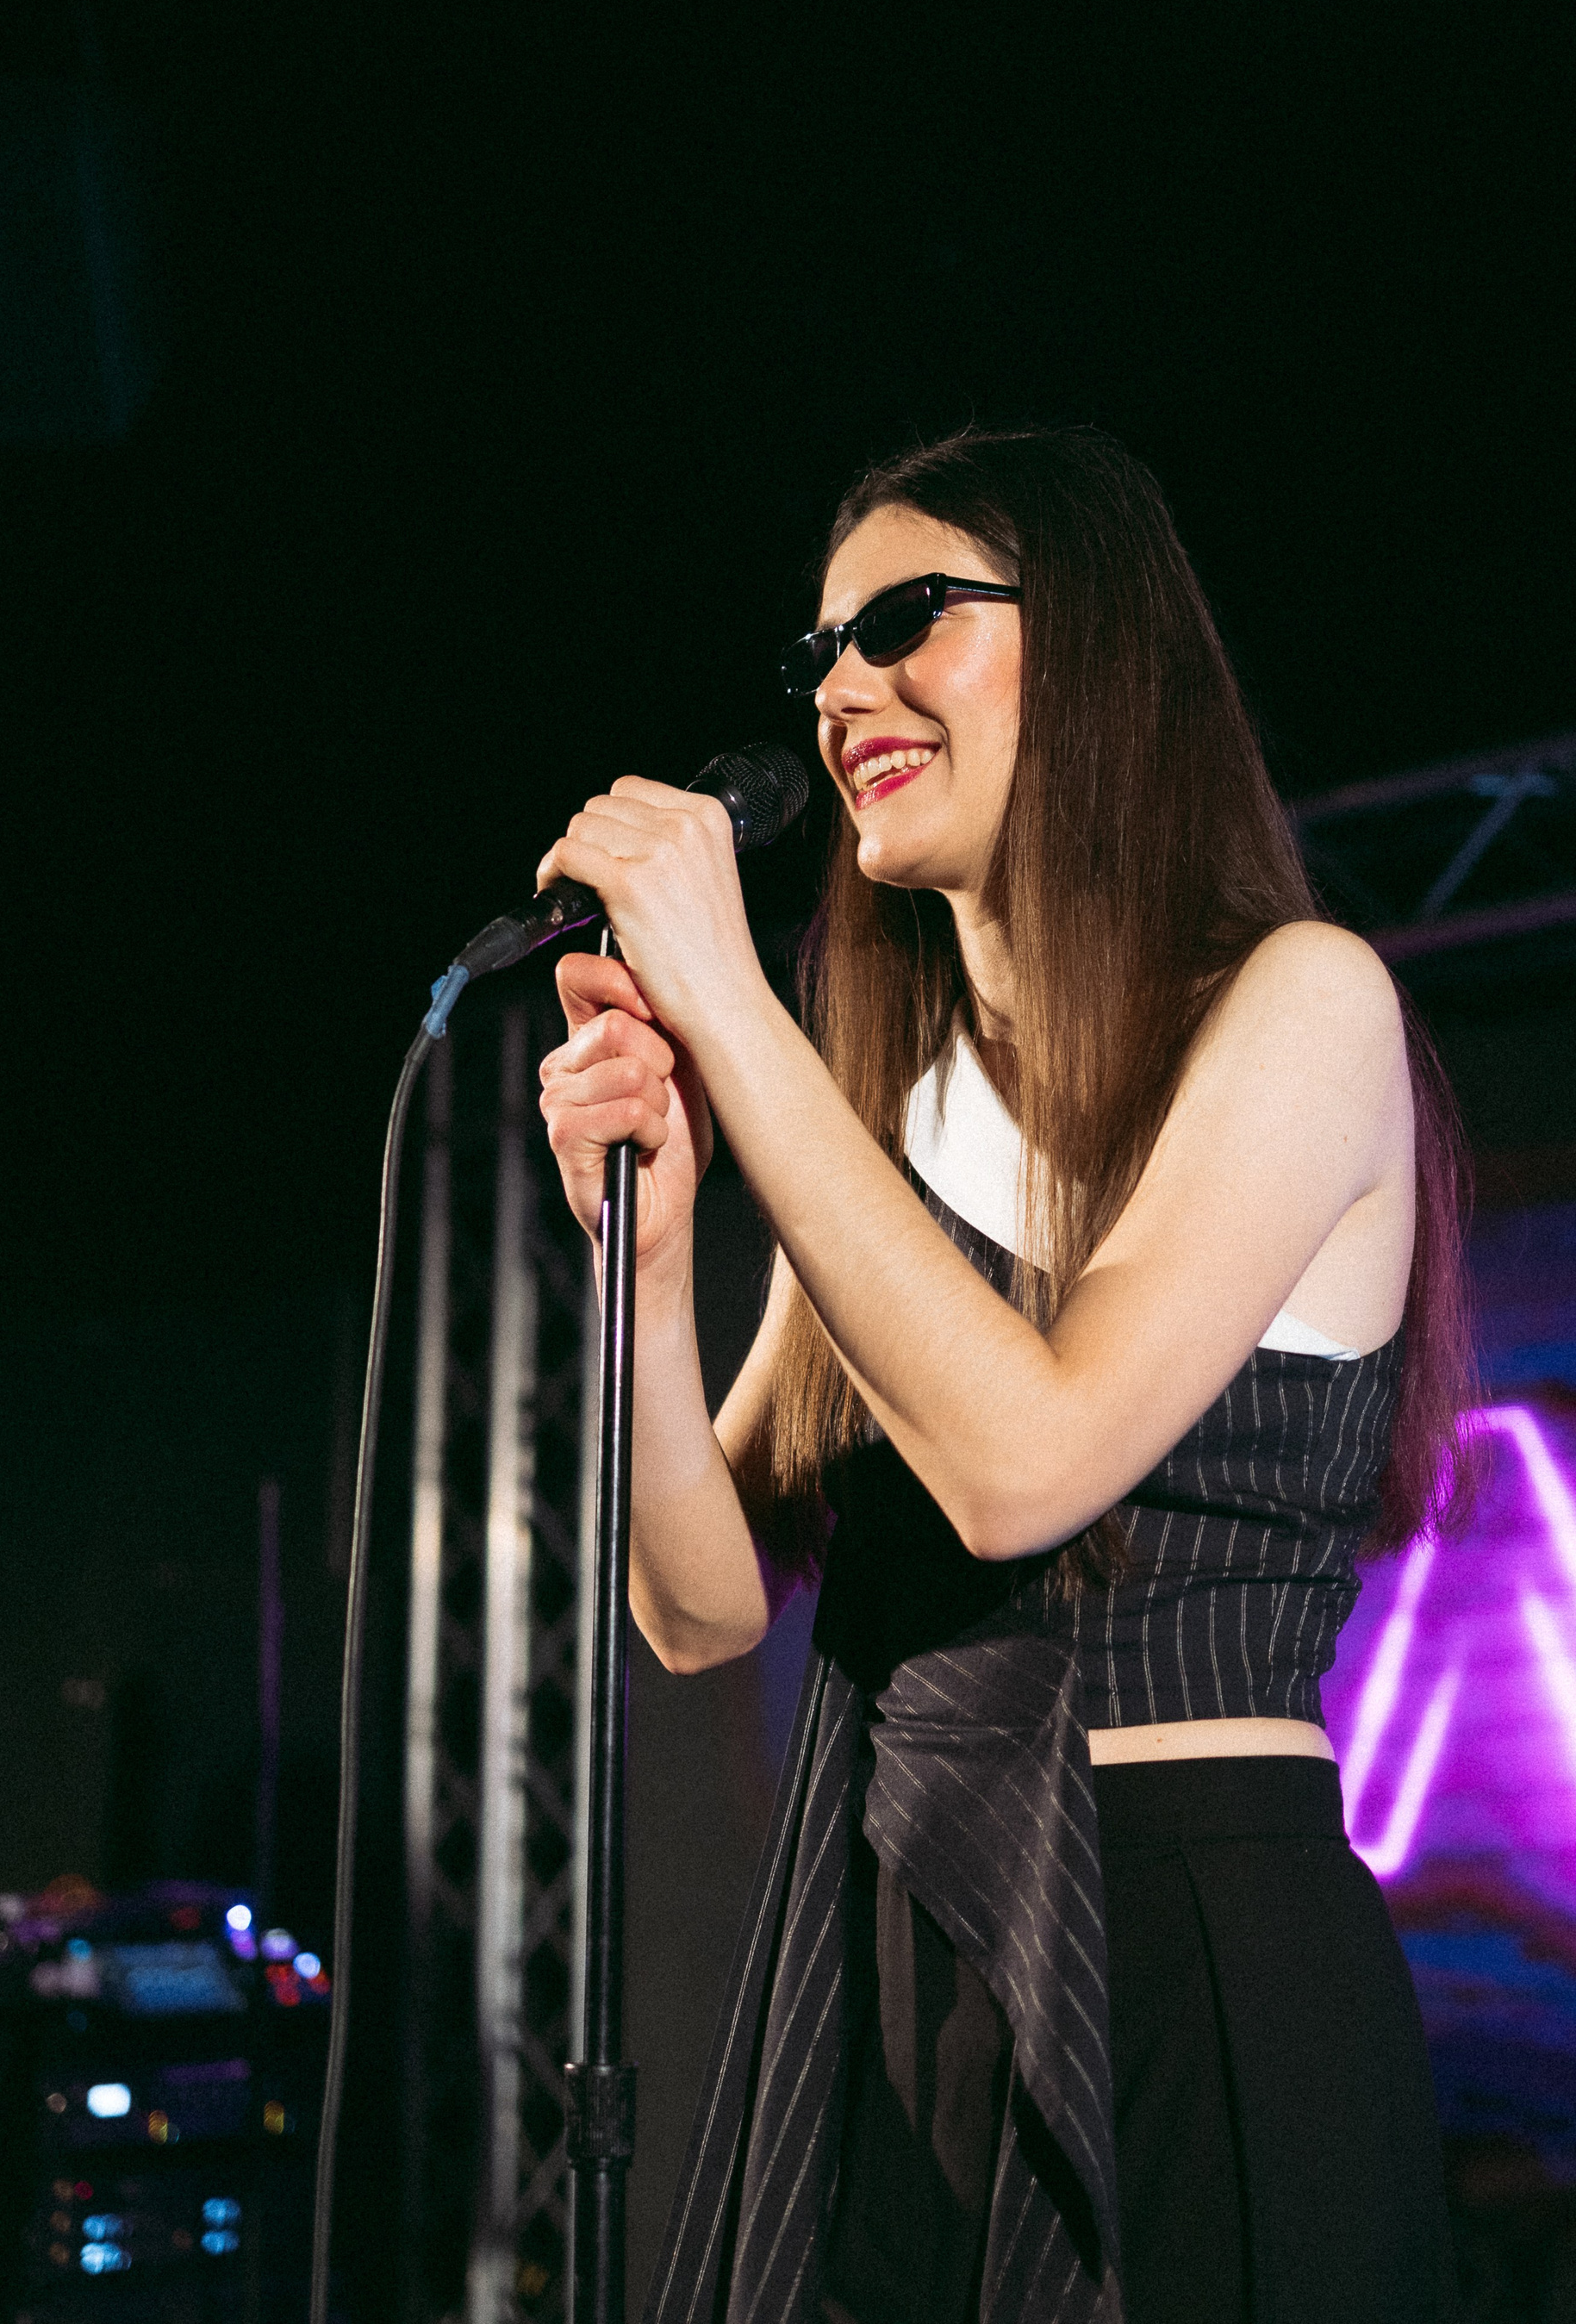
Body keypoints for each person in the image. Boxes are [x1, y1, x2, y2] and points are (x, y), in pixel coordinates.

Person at [537, 428, 1473, 2324]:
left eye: (905, 619)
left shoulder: (1299, 1004)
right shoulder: (890, 1112)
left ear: (1101, 641)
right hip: (905, 1945)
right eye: (817, 654)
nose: (842, 692)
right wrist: (650, 1260)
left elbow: (1026, 1465)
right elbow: (699, 1606)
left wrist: (729, 1001)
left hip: (1182, 1928)